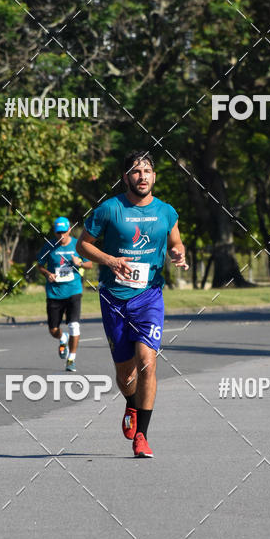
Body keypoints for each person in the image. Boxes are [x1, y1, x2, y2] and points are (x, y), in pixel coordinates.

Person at [76, 150, 188, 458]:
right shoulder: (110, 209)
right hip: (114, 298)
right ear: (126, 177)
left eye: (147, 171)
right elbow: (82, 245)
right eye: (136, 172)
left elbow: (175, 242)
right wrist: (110, 260)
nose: (142, 176)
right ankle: (130, 402)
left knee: (147, 363)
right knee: (126, 374)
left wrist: (178, 253)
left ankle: (142, 436)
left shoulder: (166, 211)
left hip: (149, 296)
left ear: (154, 177)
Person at [37, 216, 92, 372]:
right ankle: (63, 338)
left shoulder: (78, 244)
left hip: (74, 291)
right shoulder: (48, 246)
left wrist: (79, 263)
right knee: (53, 330)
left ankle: (71, 359)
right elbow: (40, 265)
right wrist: (47, 273)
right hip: (54, 293)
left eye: (64, 232)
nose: (61, 235)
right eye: (58, 233)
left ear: (69, 230)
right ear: (55, 232)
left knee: (74, 325)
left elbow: (89, 264)